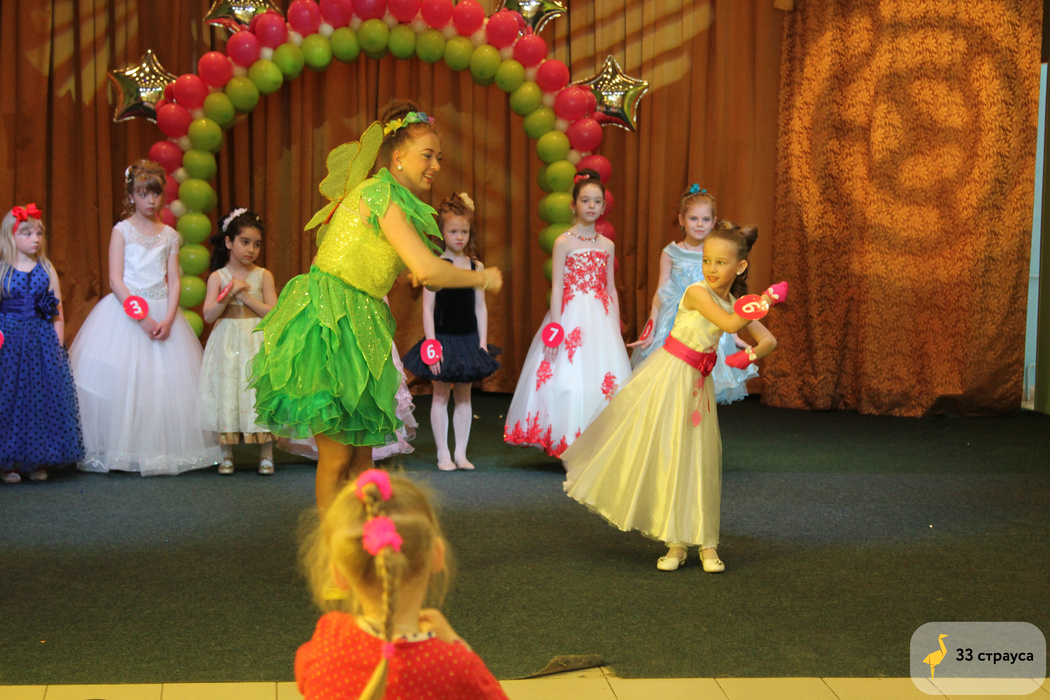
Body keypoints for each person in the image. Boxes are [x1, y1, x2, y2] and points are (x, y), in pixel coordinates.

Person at [249, 101, 503, 509]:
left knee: (361, 459)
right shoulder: (379, 193)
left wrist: (409, 274)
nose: (436, 165)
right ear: (398, 157)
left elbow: (397, 264)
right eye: (427, 155)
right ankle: (333, 541)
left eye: (439, 157)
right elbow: (429, 270)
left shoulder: (395, 200)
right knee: (337, 457)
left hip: (362, 321)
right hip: (332, 323)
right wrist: (483, 278)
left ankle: (364, 534)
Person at [562, 225, 787, 572]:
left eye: (721, 262)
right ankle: (676, 542)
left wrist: (749, 356)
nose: (711, 268)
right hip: (670, 378)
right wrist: (767, 299)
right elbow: (730, 325)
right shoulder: (698, 292)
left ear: (740, 267)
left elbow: (768, 340)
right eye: (707, 260)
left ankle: (708, 544)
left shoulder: (734, 302)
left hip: (698, 385)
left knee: (699, 459)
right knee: (671, 455)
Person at [297, 469, 508, 700]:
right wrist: (458, 645)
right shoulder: (455, 666)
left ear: (338, 574)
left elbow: (305, 673)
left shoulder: (329, 636)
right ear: (437, 555)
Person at [69, 160, 221, 475]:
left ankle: (156, 451)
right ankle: (121, 450)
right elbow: (116, 280)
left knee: (162, 385)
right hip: (127, 312)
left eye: (156, 194)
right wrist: (142, 319)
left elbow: (174, 281)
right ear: (131, 196)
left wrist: (168, 318)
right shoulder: (121, 231)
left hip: (163, 310)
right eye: (143, 194)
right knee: (126, 383)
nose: (151, 201)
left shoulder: (170, 235)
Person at [503, 169, 631, 458]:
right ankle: (568, 442)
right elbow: (558, 288)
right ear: (573, 205)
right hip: (570, 316)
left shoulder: (607, 245)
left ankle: (597, 445)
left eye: (597, 201)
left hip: (600, 319)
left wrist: (614, 325)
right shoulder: (564, 242)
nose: (591, 206)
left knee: (602, 381)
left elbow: (610, 288)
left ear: (603, 206)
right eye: (585, 200)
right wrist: (556, 328)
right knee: (567, 380)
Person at [629, 186, 759, 404]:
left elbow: (726, 295)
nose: (700, 224)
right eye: (693, 218)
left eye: (705, 219)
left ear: (714, 222)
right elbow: (661, 292)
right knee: (673, 381)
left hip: (709, 321)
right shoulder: (670, 253)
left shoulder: (717, 253)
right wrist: (652, 327)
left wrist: (734, 335)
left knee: (701, 384)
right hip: (678, 323)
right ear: (681, 220)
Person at [403, 193, 500, 472]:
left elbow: (480, 307)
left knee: (465, 396)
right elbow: (427, 309)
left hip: (468, 340)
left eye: (464, 232)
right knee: (441, 395)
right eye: (453, 231)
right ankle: (443, 454)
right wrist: (432, 345)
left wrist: (482, 342)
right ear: (442, 232)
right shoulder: (435, 265)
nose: (459, 237)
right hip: (443, 341)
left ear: (470, 232)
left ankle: (461, 453)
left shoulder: (476, 267)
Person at [0, 204, 84, 483]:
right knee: (9, 400)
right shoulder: (2, 271)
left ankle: (35, 460)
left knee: (37, 401)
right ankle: (8, 462)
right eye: (27, 233)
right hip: (9, 344)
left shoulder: (46, 269)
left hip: (40, 343)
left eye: (39, 233)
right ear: (11, 236)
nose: (35, 238)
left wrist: (57, 347)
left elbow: (57, 312)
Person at [200, 208, 278, 475]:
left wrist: (245, 297)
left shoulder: (263, 275)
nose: (251, 250)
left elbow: (273, 312)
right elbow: (209, 315)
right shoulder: (218, 277)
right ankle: (226, 455)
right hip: (226, 341)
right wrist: (227, 294)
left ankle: (266, 454)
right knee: (227, 389)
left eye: (256, 244)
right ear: (229, 242)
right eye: (245, 242)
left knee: (258, 390)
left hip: (255, 339)